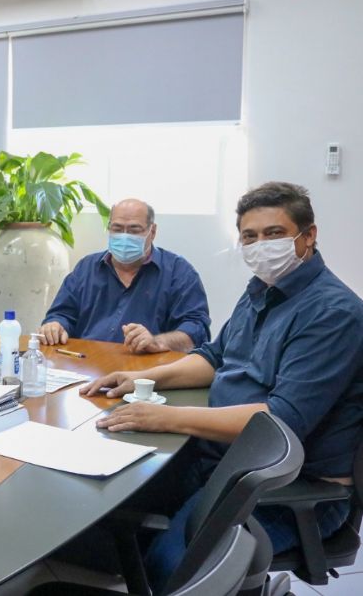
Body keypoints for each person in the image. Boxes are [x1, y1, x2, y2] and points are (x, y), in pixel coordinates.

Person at [81, 182, 363, 592]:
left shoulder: (333, 313)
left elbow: (280, 422)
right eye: (250, 236)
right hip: (222, 463)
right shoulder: (261, 292)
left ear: (308, 236)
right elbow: (214, 357)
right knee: (101, 508)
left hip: (282, 487)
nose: (260, 245)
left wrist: (166, 418)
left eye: (274, 233)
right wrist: (142, 380)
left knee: (170, 569)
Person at [39, 199, 210, 353]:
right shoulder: (87, 268)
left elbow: (197, 331)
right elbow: (61, 314)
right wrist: (55, 326)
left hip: (147, 370)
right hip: (85, 364)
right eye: (117, 229)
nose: (125, 236)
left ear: (152, 231)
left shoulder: (179, 273)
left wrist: (157, 342)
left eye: (134, 230)